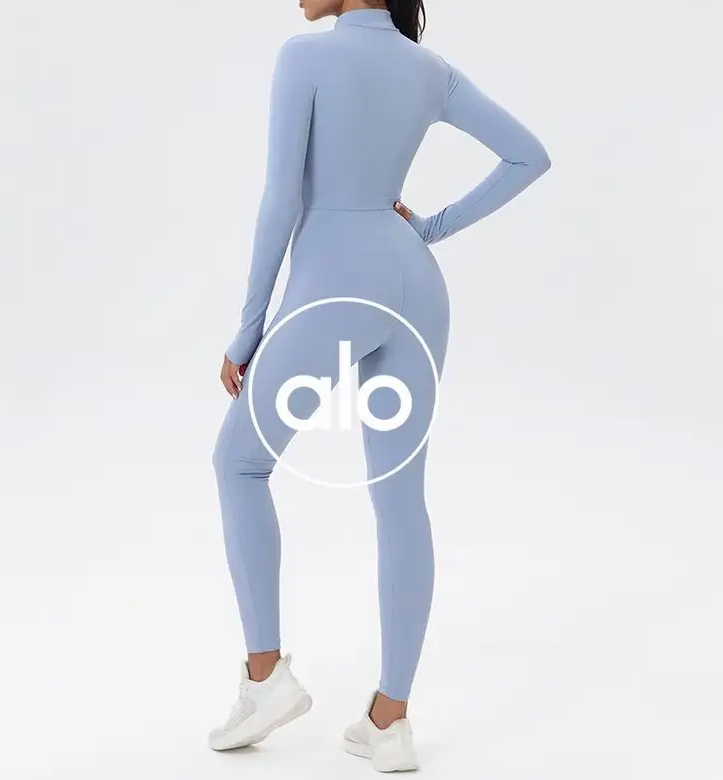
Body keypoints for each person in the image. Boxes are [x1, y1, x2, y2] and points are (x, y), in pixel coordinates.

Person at [209, 0, 550, 771]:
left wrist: (248, 328)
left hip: (337, 285)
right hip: (416, 288)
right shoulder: (430, 71)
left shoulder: (304, 57)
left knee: (240, 462)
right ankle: (389, 722)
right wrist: (428, 230)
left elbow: (281, 201)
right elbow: (529, 157)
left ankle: (265, 679)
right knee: (400, 499)